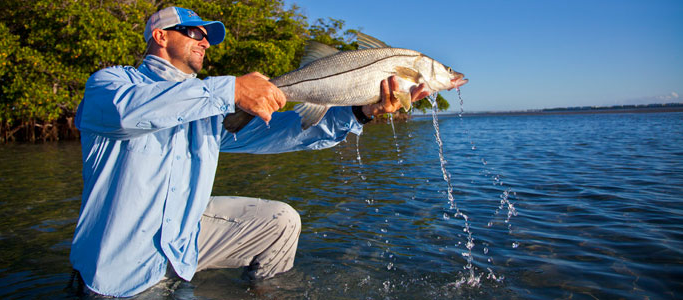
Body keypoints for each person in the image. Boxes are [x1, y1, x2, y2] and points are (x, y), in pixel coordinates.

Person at [70, 6, 455, 297]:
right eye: (193, 33)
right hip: (119, 271)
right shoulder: (110, 84)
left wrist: (360, 111)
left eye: (208, 36)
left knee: (279, 222)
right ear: (159, 35)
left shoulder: (208, 107)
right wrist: (230, 90)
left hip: (183, 243)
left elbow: (283, 132)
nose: (205, 41)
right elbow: (128, 111)